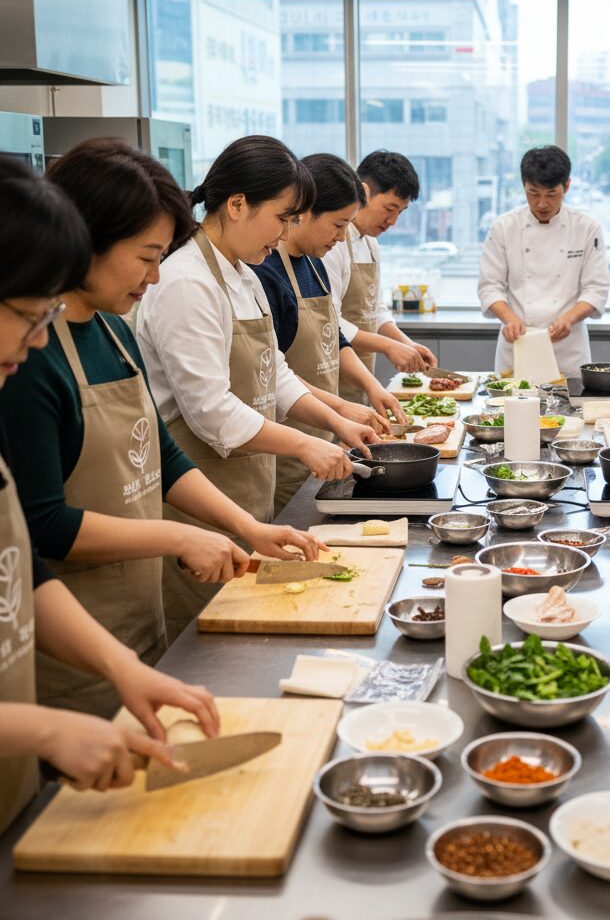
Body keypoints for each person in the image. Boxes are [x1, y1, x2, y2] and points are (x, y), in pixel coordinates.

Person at [0, 156, 220, 836]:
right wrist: (40, 725)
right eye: (30, 316)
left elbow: (21, 571)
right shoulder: (32, 373)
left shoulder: (110, 337)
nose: (37, 339)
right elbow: (49, 529)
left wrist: (122, 665)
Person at [136, 136, 372, 642]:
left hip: (248, 498)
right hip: (200, 510)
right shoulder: (185, 283)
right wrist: (305, 442)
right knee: (204, 645)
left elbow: (274, 372)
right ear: (237, 204)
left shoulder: (242, 275)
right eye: (284, 218)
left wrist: (333, 422)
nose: (286, 232)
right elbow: (211, 412)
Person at [252, 153, 407, 514]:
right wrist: (338, 409)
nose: (341, 238)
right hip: (291, 439)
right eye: (337, 225)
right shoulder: (267, 274)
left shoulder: (314, 265)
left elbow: (334, 340)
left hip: (325, 435)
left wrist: (371, 388)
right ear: (303, 211)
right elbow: (274, 375)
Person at [477, 145, 609, 379]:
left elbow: (596, 289)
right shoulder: (504, 227)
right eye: (533, 193)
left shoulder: (586, 228)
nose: (541, 204)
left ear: (567, 186)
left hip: (567, 352)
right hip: (517, 346)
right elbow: (490, 286)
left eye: (551, 194)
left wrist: (569, 319)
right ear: (524, 186)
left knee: (570, 414)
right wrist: (509, 319)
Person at [322, 150, 437, 399]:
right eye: (390, 208)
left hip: (361, 374)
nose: (393, 220)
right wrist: (388, 346)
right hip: (330, 374)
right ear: (365, 192)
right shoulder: (332, 244)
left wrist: (407, 344)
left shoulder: (371, 245)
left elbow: (374, 310)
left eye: (401, 212)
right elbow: (329, 322)